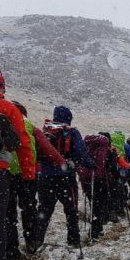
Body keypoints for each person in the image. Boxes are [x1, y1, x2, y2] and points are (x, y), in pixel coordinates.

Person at [8, 101, 65, 259]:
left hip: (5, 173)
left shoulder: (3, 122)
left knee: (9, 213)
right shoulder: (30, 126)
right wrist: (62, 162)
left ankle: (10, 251)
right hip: (27, 174)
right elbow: (46, 147)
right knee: (29, 208)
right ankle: (31, 241)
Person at [35, 106, 94, 250]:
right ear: (69, 117)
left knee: (44, 210)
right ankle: (74, 240)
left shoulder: (45, 131)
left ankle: (35, 241)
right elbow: (81, 153)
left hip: (44, 177)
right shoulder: (72, 132)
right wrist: (91, 165)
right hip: (65, 178)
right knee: (71, 210)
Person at [0, 71, 34, 260]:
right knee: (0, 219)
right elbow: (23, 144)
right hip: (0, 171)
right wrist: (28, 173)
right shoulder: (9, 109)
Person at [78, 134, 111, 240]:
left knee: (93, 204)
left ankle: (98, 229)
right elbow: (111, 167)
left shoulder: (87, 147)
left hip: (86, 180)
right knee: (100, 206)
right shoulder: (106, 150)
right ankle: (94, 232)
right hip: (99, 180)